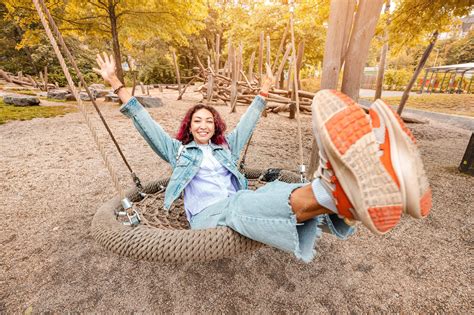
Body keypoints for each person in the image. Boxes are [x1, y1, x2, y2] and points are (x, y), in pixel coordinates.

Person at [94, 53, 431, 262]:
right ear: (188, 127)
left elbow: (251, 117)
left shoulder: (228, 149)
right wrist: (116, 83)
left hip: (238, 200)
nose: (203, 124)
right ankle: (340, 193)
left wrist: (266, 89)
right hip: (206, 217)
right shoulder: (178, 151)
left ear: (215, 127)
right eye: (196, 120)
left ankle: (377, 196)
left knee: (263, 194)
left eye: (208, 120)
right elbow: (144, 122)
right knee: (243, 204)